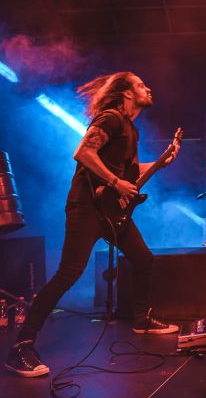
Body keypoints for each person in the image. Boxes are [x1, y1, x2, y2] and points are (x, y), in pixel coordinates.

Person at [5, 72, 180, 377]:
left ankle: (142, 319)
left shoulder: (131, 129)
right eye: (141, 85)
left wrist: (160, 163)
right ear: (127, 93)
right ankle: (20, 347)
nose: (148, 88)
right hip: (87, 208)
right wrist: (114, 182)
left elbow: (129, 173)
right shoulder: (110, 118)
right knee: (68, 274)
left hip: (111, 211)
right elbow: (83, 152)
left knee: (143, 258)